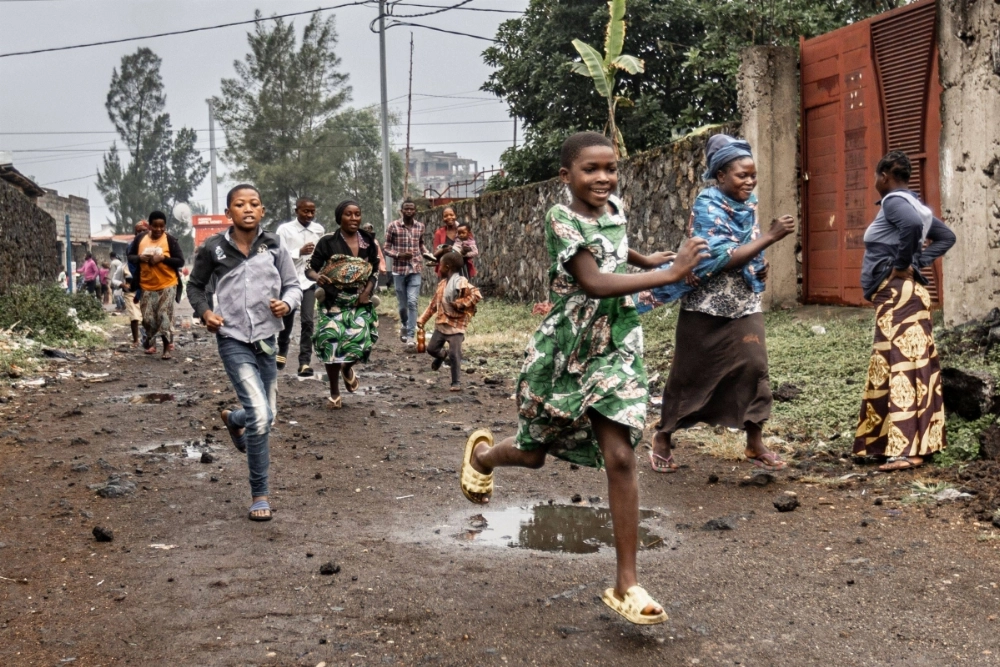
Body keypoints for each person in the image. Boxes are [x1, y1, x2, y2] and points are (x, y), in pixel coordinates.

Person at [459, 132, 709, 626]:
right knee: (532, 454)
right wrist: (671, 274)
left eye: (610, 168)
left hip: (616, 343)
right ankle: (484, 455)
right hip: (569, 347)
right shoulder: (560, 217)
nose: (603, 178)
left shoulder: (614, 206)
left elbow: (615, 247)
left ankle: (626, 583)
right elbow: (592, 280)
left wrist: (649, 258)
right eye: (591, 169)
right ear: (566, 176)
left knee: (620, 456)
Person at [646, 134, 795, 473]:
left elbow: (748, 246)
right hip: (706, 303)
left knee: (755, 366)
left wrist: (758, 259)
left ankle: (754, 443)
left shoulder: (748, 204)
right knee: (688, 374)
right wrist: (770, 237)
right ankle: (664, 436)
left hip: (743, 300)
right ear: (721, 175)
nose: (750, 181)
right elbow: (721, 257)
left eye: (753, 174)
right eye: (742, 175)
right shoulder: (707, 205)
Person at [187, 184, 302, 522]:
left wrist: (288, 302)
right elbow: (195, 286)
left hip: (268, 339)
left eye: (254, 203)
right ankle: (259, 494)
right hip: (232, 337)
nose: (248, 209)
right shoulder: (214, 249)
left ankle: (234, 420)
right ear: (229, 212)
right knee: (262, 416)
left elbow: (293, 284)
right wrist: (206, 313)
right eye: (240, 204)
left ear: (262, 211)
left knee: (266, 414)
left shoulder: (274, 246)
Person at [853, 151, 955, 471]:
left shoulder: (895, 202)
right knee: (912, 368)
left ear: (884, 176)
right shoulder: (917, 205)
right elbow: (945, 237)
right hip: (909, 296)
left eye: (875, 177)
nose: (874, 183)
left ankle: (902, 451)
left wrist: (902, 265)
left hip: (899, 297)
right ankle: (913, 448)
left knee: (899, 368)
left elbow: (911, 228)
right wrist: (918, 262)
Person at [306, 200, 380, 410]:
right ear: (340, 217)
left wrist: (367, 292)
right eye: (349, 214)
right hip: (332, 299)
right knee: (331, 342)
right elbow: (310, 268)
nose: (354, 218)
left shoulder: (368, 241)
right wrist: (318, 277)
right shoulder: (328, 242)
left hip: (359, 300)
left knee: (361, 342)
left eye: (357, 214)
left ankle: (347, 368)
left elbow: (374, 270)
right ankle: (334, 394)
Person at [416, 251, 482, 391]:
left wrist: (461, 303)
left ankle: (455, 382)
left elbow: (476, 294)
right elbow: (433, 305)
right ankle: (441, 356)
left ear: (447, 267)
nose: (438, 269)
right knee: (431, 349)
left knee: (455, 354)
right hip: (441, 324)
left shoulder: (461, 282)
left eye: (440, 266)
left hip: (456, 326)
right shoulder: (442, 285)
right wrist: (422, 319)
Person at [275, 197, 325, 377]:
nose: (309, 215)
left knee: (308, 321)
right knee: (286, 319)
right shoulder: (285, 230)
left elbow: (321, 254)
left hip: (309, 281)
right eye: (305, 211)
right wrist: (299, 252)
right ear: (297, 211)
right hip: (289, 281)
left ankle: (304, 362)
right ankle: (282, 350)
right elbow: (277, 253)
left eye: (312, 211)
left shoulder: (318, 230)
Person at [129, 211, 185, 360]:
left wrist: (163, 259)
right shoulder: (140, 239)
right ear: (150, 226)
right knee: (147, 318)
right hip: (146, 285)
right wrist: (140, 257)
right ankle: (151, 341)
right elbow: (130, 256)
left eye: (162, 226)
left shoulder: (171, 240)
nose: (159, 229)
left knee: (164, 316)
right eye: (155, 226)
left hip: (167, 284)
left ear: (165, 226)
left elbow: (180, 261)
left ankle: (166, 348)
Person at [384, 199, 429, 346]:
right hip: (399, 271)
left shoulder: (420, 226)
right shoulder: (393, 226)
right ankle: (404, 324)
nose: (409, 211)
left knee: (413, 301)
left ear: (415, 211)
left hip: (415, 269)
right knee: (403, 305)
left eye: (412, 209)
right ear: (401, 211)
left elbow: (421, 244)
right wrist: (399, 255)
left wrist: (428, 255)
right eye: (406, 209)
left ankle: (411, 336)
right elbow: (386, 248)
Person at [123, 221, 149, 347]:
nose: (141, 233)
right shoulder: (132, 247)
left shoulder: (153, 244)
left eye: (144, 231)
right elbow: (132, 265)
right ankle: (138, 340)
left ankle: (150, 339)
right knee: (137, 316)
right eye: (139, 231)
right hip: (137, 284)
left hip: (151, 283)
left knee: (149, 315)